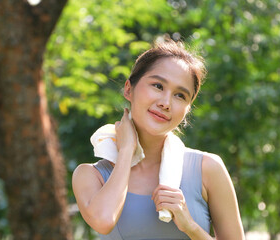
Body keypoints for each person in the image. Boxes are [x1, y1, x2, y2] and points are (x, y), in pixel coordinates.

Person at [72, 40, 245, 239]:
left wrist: (190, 226)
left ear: (187, 109)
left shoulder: (208, 169)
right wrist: (127, 149)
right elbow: (104, 221)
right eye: (158, 86)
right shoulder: (91, 175)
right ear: (128, 89)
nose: (165, 103)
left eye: (180, 95)